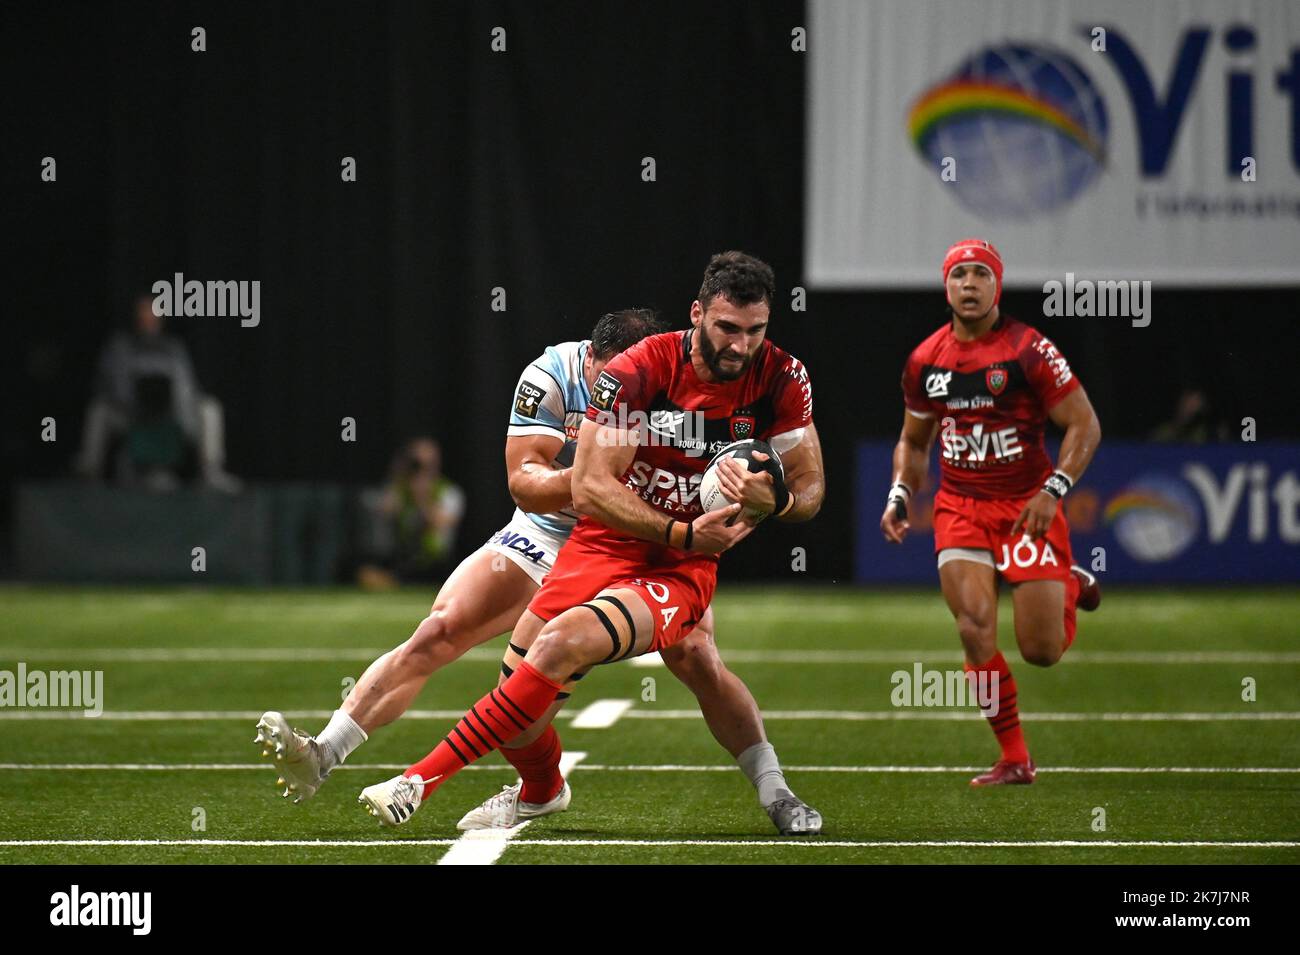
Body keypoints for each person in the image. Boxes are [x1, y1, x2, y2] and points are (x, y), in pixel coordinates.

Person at [259, 305, 820, 834]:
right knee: (445, 632)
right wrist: (592, 482)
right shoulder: (553, 373)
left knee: (698, 658)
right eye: (606, 378)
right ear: (592, 362)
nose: (614, 390)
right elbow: (523, 481)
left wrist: (730, 500)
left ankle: (775, 789)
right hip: (552, 534)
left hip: (646, 540)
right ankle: (325, 754)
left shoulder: (672, 381)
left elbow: (748, 474)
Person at [880, 238, 1102, 786]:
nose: (970, 285)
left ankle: (1069, 583)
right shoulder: (925, 360)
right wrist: (900, 494)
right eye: (960, 276)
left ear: (997, 284)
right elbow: (914, 441)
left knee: (1042, 651)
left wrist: (1052, 490)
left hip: (1027, 507)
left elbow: (1084, 424)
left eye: (981, 275)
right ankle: (1015, 757)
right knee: (974, 629)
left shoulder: (1029, 350)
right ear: (946, 285)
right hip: (959, 507)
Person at [74, 294, 240, 492]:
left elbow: (188, 386)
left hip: (173, 413)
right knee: (99, 410)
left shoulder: (174, 348)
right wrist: (139, 399)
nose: (148, 319)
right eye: (144, 314)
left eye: (153, 314)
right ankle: (89, 471)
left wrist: (177, 410)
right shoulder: (120, 346)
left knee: (209, 408)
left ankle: (211, 471)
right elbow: (114, 385)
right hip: (132, 414)